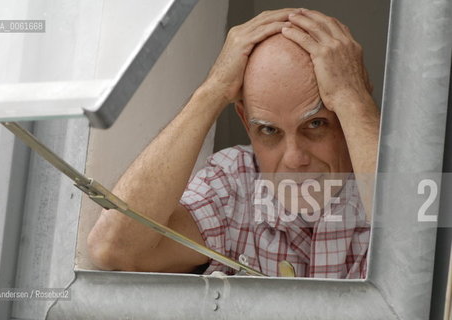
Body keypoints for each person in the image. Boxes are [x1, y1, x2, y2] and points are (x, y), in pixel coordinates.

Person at [87, 8, 379, 278]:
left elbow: (416, 248)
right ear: (245, 123)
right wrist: (213, 90)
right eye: (269, 130)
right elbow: (114, 248)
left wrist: (352, 98)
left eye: (315, 124)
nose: (294, 158)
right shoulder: (235, 183)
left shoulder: (385, 176)